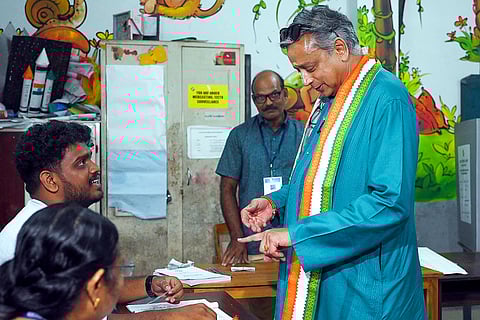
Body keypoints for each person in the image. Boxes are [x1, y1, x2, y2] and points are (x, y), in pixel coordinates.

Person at [238, 5, 425, 320]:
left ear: (339, 49)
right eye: (299, 70)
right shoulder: (328, 103)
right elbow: (313, 182)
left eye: (310, 67)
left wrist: (299, 235)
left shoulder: (387, 98)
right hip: (328, 272)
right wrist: (275, 204)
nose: (305, 80)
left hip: (369, 285)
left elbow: (390, 203)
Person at [0, 121, 216, 320]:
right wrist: (167, 317)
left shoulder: (66, 224)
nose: (95, 168)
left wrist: (149, 285)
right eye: (81, 163)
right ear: (50, 180)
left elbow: (85, 289)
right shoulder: (29, 237)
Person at [216, 70, 304, 266]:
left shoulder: (305, 134)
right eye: (261, 98)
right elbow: (227, 190)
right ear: (254, 100)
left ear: (285, 95)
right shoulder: (239, 136)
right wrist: (237, 239)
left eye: (274, 94)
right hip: (252, 238)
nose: (269, 102)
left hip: (294, 236)